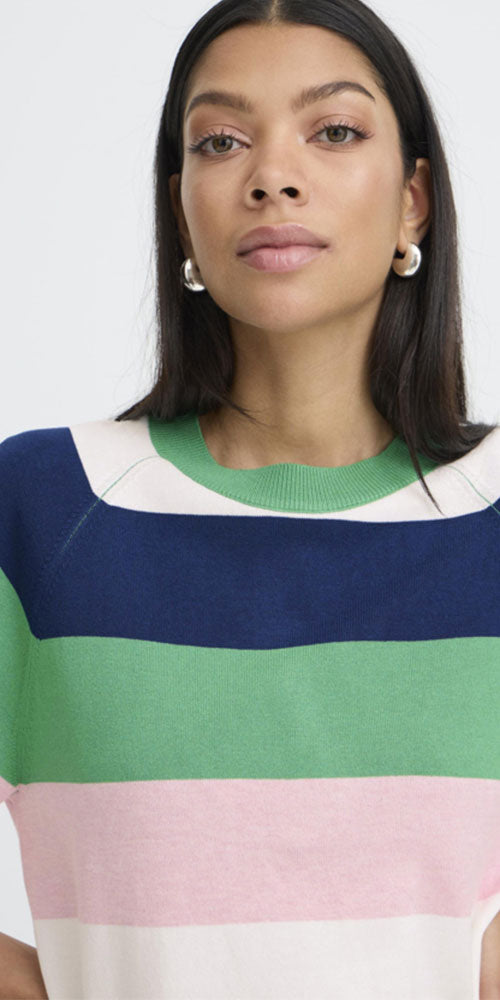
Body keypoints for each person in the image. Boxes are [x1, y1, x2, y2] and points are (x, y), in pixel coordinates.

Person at [1, 0, 499, 997]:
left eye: (333, 131)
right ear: (180, 206)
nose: (273, 176)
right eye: (221, 141)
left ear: (413, 202)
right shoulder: (48, 511)